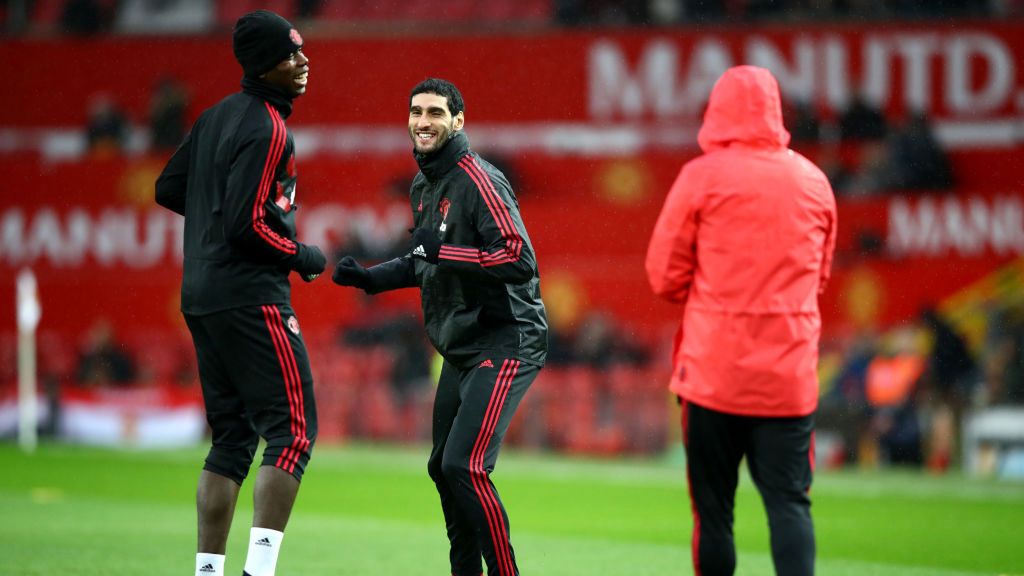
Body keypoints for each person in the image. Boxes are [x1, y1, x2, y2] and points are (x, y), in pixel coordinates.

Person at [331, 78, 548, 576]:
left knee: (463, 466)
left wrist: (441, 251)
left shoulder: (478, 180)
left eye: (434, 112)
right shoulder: (424, 183)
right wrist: (372, 278)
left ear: (458, 122)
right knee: (442, 469)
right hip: (463, 345)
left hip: (508, 337)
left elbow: (519, 259)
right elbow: (426, 260)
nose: (422, 121)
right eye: (415, 112)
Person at [645, 65, 837, 576]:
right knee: (791, 506)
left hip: (714, 376)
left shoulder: (701, 178)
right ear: (777, 112)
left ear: (716, 111)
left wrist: (716, 293)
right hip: (787, 377)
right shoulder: (813, 181)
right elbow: (818, 278)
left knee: (714, 516)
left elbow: (663, 277)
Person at [154, 10, 326, 576]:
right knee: (293, 432)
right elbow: (247, 226)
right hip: (251, 294)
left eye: (301, 51)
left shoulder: (214, 118)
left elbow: (169, 187)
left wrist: (212, 215)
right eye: (290, 55)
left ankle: (207, 571)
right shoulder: (268, 126)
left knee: (230, 440)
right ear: (261, 64)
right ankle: (259, 571)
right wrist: (301, 256)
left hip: (201, 292)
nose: (303, 63)